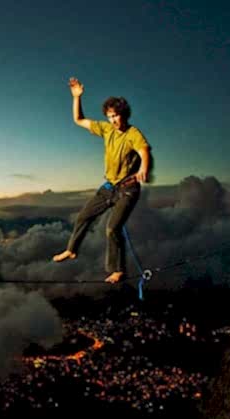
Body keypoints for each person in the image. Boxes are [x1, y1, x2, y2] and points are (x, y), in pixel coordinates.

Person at [53, 77, 152, 284]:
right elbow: (79, 120)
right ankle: (71, 250)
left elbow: (143, 150)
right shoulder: (106, 129)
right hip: (109, 187)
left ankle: (118, 270)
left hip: (128, 189)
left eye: (115, 116)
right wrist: (77, 98)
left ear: (123, 115)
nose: (113, 120)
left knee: (112, 228)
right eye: (109, 116)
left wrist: (144, 167)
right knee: (83, 217)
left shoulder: (133, 133)